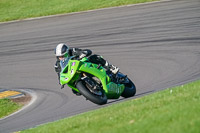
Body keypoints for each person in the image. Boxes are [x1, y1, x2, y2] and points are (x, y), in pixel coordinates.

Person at [54, 43, 119, 89]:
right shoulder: (57, 65)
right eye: (59, 57)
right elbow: (60, 75)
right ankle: (89, 90)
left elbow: (87, 51)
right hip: (73, 74)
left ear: (67, 52)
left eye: (63, 56)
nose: (61, 58)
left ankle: (111, 67)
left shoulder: (73, 51)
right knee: (74, 91)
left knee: (94, 57)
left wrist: (83, 53)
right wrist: (61, 82)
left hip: (83, 65)